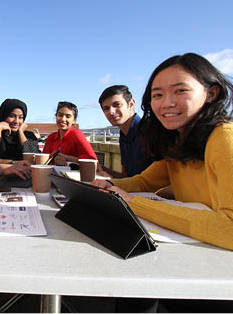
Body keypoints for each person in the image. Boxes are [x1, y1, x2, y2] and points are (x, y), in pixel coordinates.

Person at [93, 52, 233, 252]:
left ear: (211, 93)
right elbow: (143, 181)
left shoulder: (225, 138)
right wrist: (105, 186)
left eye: (180, 90)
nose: (167, 103)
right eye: (157, 95)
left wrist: (133, 202)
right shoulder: (179, 143)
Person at [98, 85, 153, 177]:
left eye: (117, 105)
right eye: (106, 108)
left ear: (131, 104)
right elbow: (127, 177)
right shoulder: (123, 135)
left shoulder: (149, 132)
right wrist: (102, 169)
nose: (111, 112)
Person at [43, 101, 98, 166]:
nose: (63, 119)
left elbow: (93, 161)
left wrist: (66, 158)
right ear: (56, 116)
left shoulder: (76, 134)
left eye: (68, 116)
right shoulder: (51, 137)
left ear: (74, 120)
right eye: (60, 115)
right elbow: (44, 161)